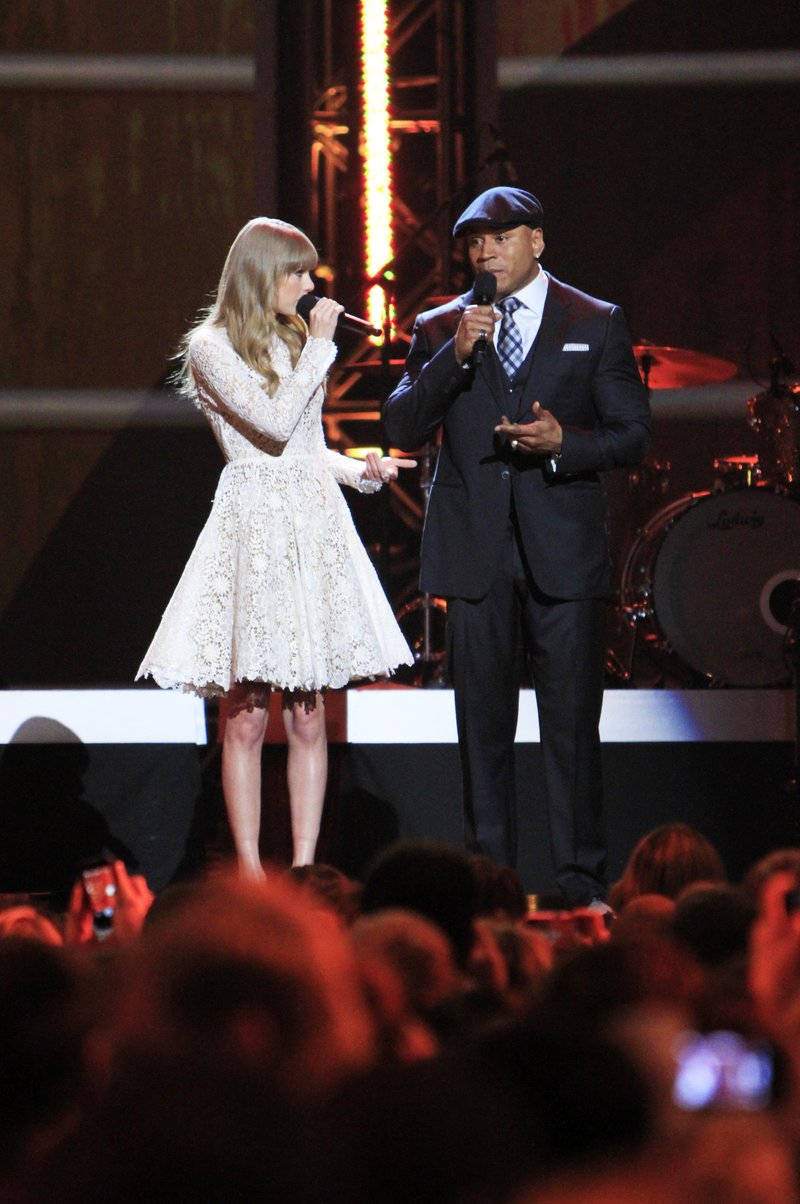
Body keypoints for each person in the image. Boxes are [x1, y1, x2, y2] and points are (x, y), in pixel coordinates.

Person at [383, 186, 651, 906]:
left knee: (572, 729)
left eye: (501, 238)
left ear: (537, 241)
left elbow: (633, 434)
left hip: (563, 554)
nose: (485, 253)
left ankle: (579, 884)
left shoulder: (594, 320)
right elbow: (401, 426)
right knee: (483, 730)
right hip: (476, 556)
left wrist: (567, 444)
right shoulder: (440, 326)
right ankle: (489, 887)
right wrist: (453, 357)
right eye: (475, 242)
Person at [137, 217, 415, 876]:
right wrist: (319, 348)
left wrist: (364, 471)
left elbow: (306, 450)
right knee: (247, 716)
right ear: (264, 273)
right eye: (299, 273)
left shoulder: (296, 340)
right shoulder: (211, 346)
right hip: (254, 527)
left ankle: (305, 866)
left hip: (310, 525)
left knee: (310, 715)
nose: (311, 286)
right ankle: (250, 872)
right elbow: (270, 426)